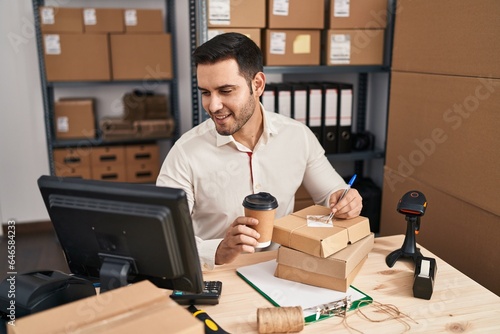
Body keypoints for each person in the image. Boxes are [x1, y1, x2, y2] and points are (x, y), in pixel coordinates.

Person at [157, 33, 363, 270]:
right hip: (216, 274)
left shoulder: (298, 136)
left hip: (280, 270)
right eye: (205, 92)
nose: (213, 106)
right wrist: (218, 250)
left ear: (257, 85)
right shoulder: (185, 152)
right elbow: (165, 238)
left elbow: (332, 194)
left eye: (225, 91)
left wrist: (347, 201)